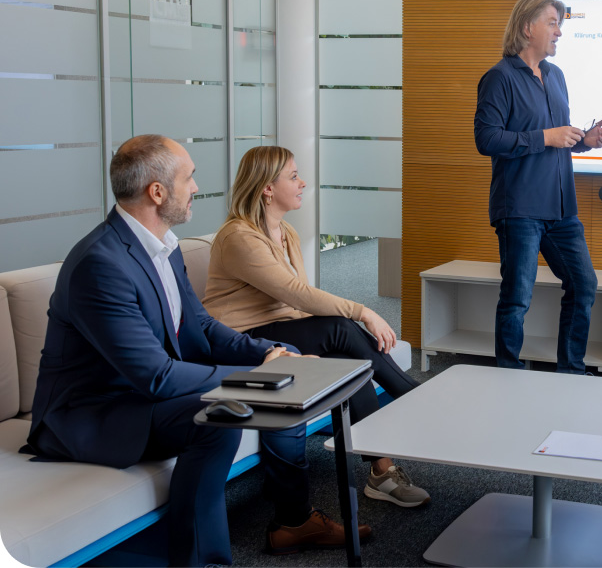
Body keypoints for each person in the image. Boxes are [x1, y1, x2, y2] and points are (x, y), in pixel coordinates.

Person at [24, 134, 370, 567]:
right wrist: (258, 377)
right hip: (94, 412)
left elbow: (200, 326)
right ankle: (199, 560)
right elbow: (155, 375)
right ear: (157, 192)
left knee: (282, 370)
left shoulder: (163, 247)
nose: (196, 187)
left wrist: (270, 354)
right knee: (219, 418)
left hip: (140, 393)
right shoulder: (101, 264)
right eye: (189, 178)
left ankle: (294, 520)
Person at [202, 145, 429, 508]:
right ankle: (417, 400)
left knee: (349, 363)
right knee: (341, 327)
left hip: (280, 330)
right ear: (267, 188)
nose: (303, 182)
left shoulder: (286, 232)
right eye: (293, 176)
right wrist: (363, 312)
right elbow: (296, 294)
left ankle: (381, 471)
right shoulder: (238, 237)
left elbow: (296, 303)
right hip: (242, 341)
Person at [474, 0, 602, 374]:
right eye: (553, 23)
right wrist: (545, 137)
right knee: (517, 298)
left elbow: (558, 138)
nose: (559, 32)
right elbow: (486, 139)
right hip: (520, 208)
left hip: (561, 209)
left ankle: (570, 372)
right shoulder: (499, 78)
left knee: (583, 285)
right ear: (528, 27)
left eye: (560, 24)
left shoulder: (556, 76)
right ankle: (509, 376)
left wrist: (584, 140)